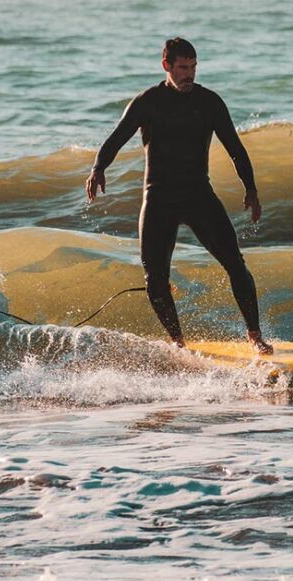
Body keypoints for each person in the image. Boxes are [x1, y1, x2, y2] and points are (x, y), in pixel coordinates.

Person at [85, 37, 273, 354]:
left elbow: (235, 149)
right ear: (167, 66)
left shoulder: (210, 102)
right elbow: (115, 138)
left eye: (193, 67)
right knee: (155, 278)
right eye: (183, 68)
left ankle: (254, 336)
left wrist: (251, 189)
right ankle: (179, 344)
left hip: (199, 194)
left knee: (236, 265)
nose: (189, 74)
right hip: (158, 198)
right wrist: (98, 168)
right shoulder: (147, 102)